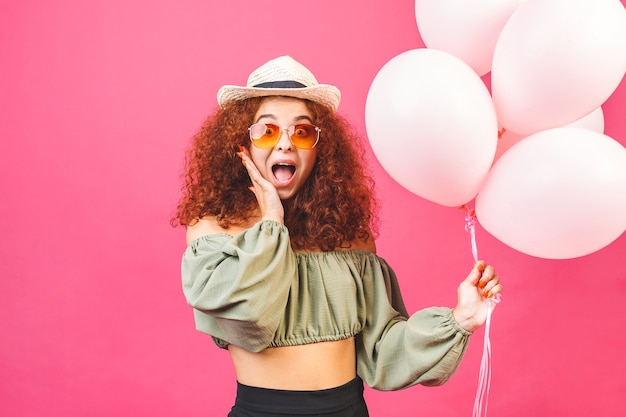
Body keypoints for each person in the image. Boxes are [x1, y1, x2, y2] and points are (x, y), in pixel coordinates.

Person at [173, 55, 503, 417]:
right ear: (243, 143)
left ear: (320, 149)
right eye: (267, 130)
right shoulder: (213, 229)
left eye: (301, 132)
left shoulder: (349, 238)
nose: (285, 143)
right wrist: (271, 221)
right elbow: (251, 318)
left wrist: (460, 319)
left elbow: (381, 351)